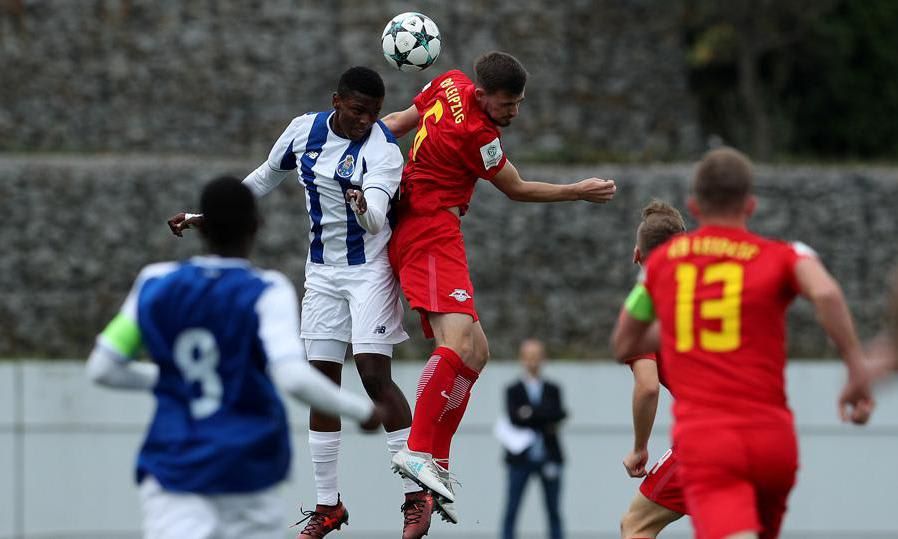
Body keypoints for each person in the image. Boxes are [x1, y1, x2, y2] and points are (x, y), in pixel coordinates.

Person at [166, 67, 428, 537]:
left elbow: (375, 220)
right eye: (358, 111)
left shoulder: (384, 151)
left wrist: (362, 207)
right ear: (336, 101)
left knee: (372, 374)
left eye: (373, 113)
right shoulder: (303, 130)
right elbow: (267, 176)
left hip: (369, 271)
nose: (366, 121)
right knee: (321, 380)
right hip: (322, 272)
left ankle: (416, 493)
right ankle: (328, 506)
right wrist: (212, 215)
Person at [381, 50, 616, 537]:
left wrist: (358, 147)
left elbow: (398, 122)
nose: (514, 112)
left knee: (477, 351)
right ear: (484, 94)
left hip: (431, 226)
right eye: (508, 103)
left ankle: (436, 462)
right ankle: (418, 449)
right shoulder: (479, 135)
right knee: (455, 343)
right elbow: (517, 188)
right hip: (428, 229)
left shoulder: (448, 82)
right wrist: (577, 190)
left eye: (520, 103)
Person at [87, 177, 382, 539]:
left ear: (202, 226)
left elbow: (102, 369)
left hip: (174, 469)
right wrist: (363, 411)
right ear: (256, 225)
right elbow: (291, 376)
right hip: (250, 471)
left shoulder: (154, 283)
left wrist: (175, 378)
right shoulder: (267, 290)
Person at [612, 148, 874, 539]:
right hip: (774, 441)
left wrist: (680, 325)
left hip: (711, 440)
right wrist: (857, 369)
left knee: (637, 525)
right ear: (750, 205)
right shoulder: (785, 254)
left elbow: (624, 342)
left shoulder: (665, 266)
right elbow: (826, 293)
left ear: (694, 206)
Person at [617, 201, 688, 539]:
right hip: (765, 429)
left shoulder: (645, 305)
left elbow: (647, 387)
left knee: (636, 524)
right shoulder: (717, 288)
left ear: (637, 255)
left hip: (712, 432)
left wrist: (639, 448)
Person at [501, 339, 567, 539]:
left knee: (553, 510)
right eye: (529, 357)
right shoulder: (513, 389)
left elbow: (559, 414)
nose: (533, 361)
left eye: (536, 357)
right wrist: (544, 416)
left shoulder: (553, 389)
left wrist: (529, 413)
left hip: (549, 456)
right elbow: (514, 418)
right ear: (522, 359)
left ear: (543, 358)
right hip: (520, 459)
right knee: (512, 508)